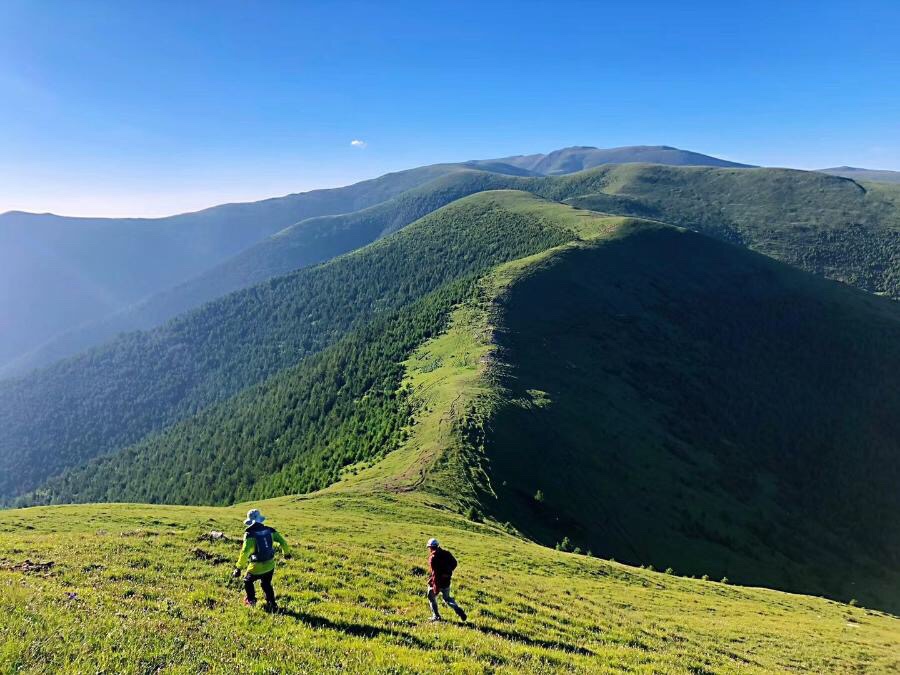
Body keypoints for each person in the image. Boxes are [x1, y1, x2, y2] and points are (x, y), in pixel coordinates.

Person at [232, 509, 291, 611]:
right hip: (270, 566)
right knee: (266, 584)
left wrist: (238, 568)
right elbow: (283, 542)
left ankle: (251, 600)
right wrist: (286, 554)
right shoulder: (271, 531)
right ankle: (272, 603)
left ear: (249, 522)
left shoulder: (250, 534)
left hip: (256, 567)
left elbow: (245, 552)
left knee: (248, 581)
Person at [425, 538, 467, 622]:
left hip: (437, 582)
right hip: (446, 581)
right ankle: (457, 608)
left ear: (431, 547)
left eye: (429, 547)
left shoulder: (433, 558)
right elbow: (455, 563)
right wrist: (448, 573)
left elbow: (435, 574)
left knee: (431, 597)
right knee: (447, 598)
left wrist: (435, 587)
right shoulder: (446, 553)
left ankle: (436, 616)